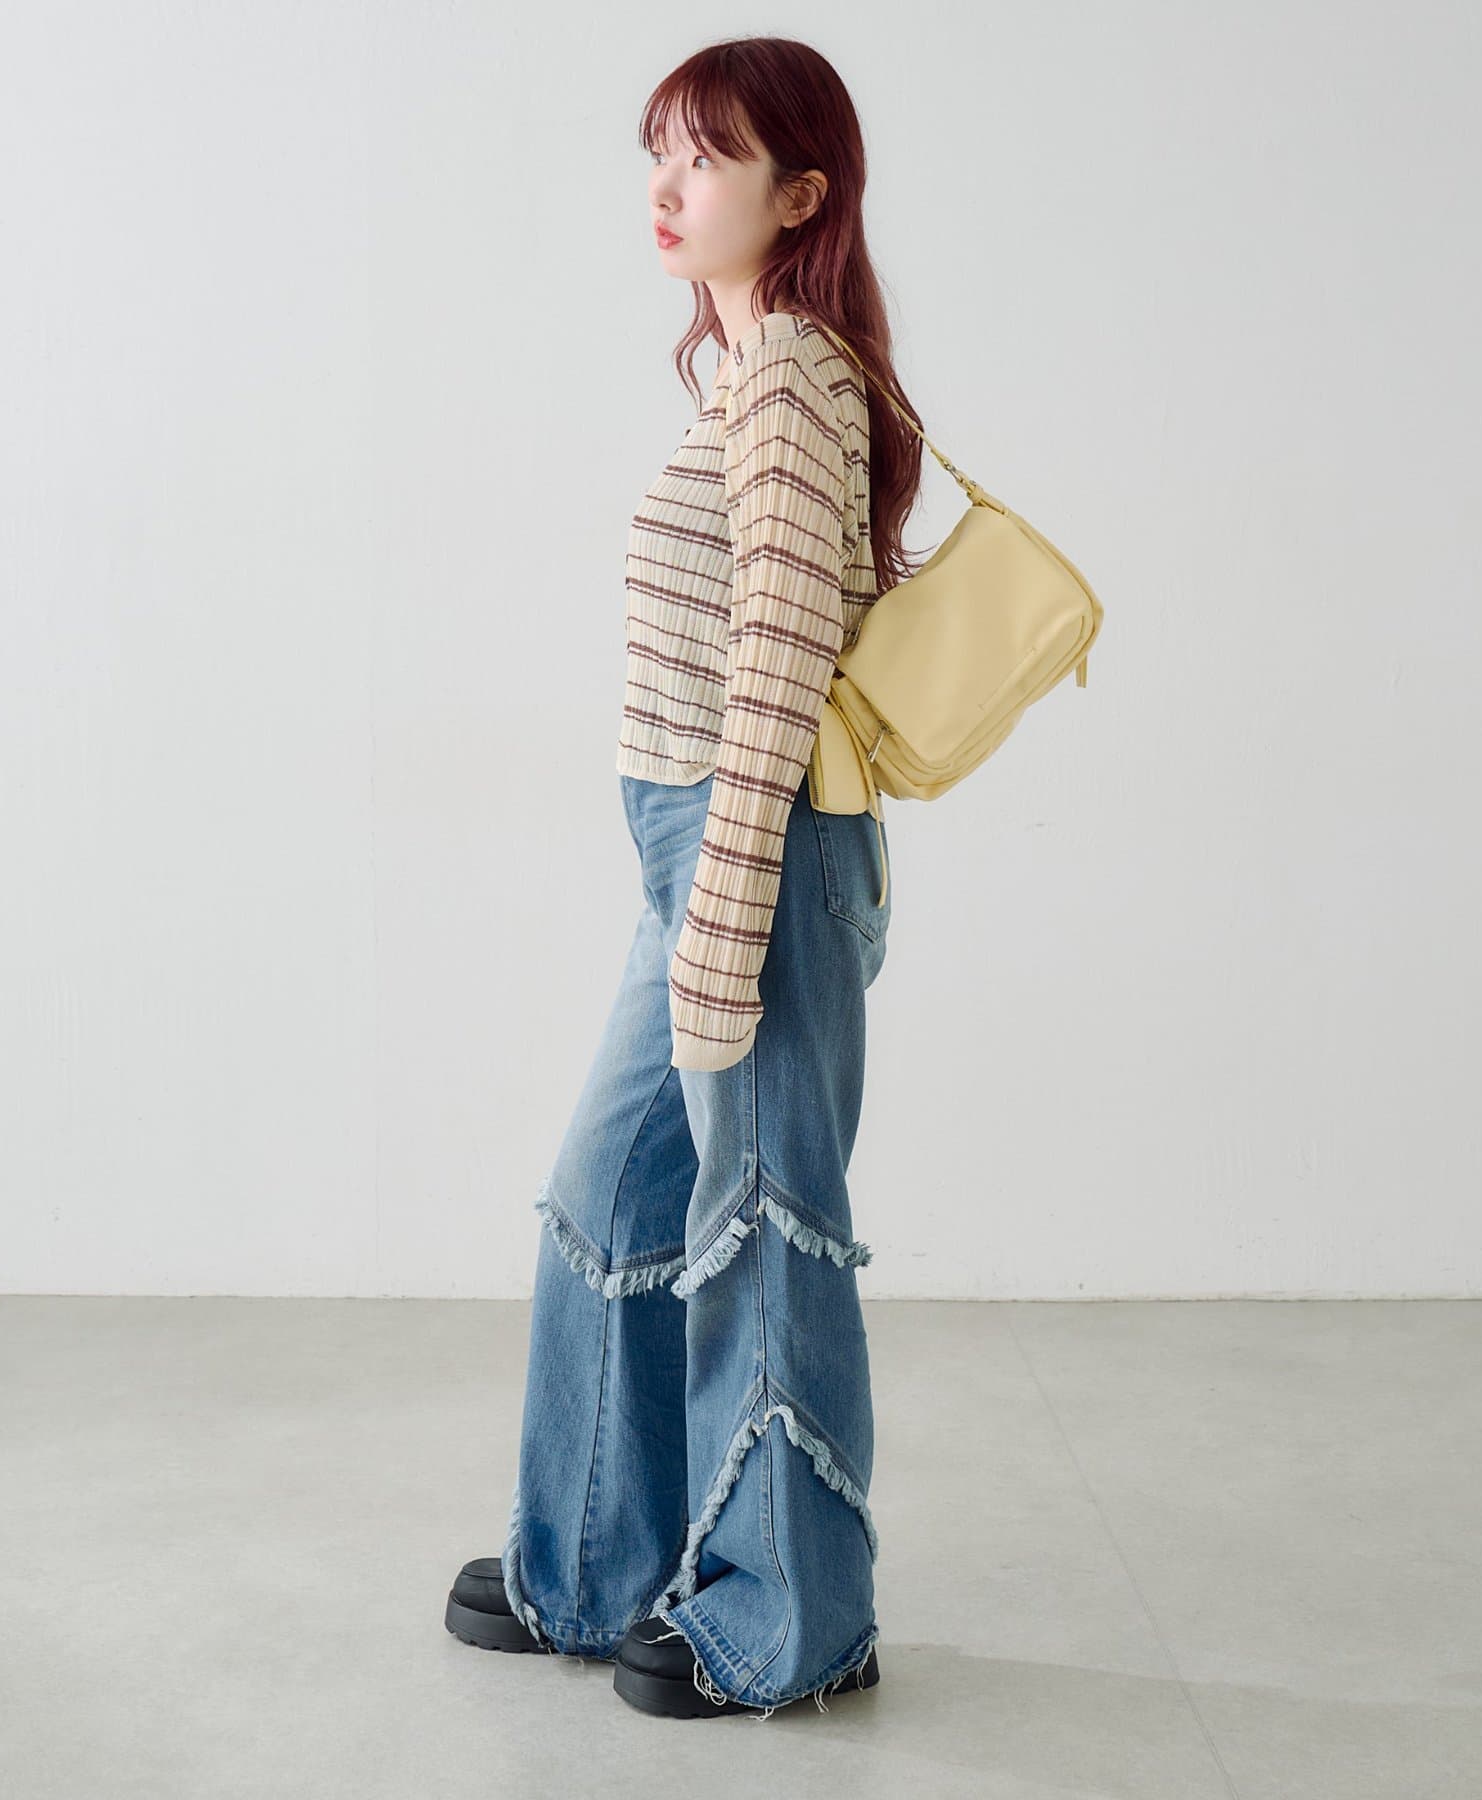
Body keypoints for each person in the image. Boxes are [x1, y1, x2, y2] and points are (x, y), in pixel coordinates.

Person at [443, 33, 928, 1719]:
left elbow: (780, 659)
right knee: (619, 1189)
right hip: (700, 848)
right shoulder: (743, 370)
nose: (668, 184)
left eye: (709, 155)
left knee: (765, 1223)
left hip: (755, 842)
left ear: (801, 196)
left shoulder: (788, 371)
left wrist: (724, 905)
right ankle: (595, 1558)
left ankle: (796, 1623)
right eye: (660, 149)